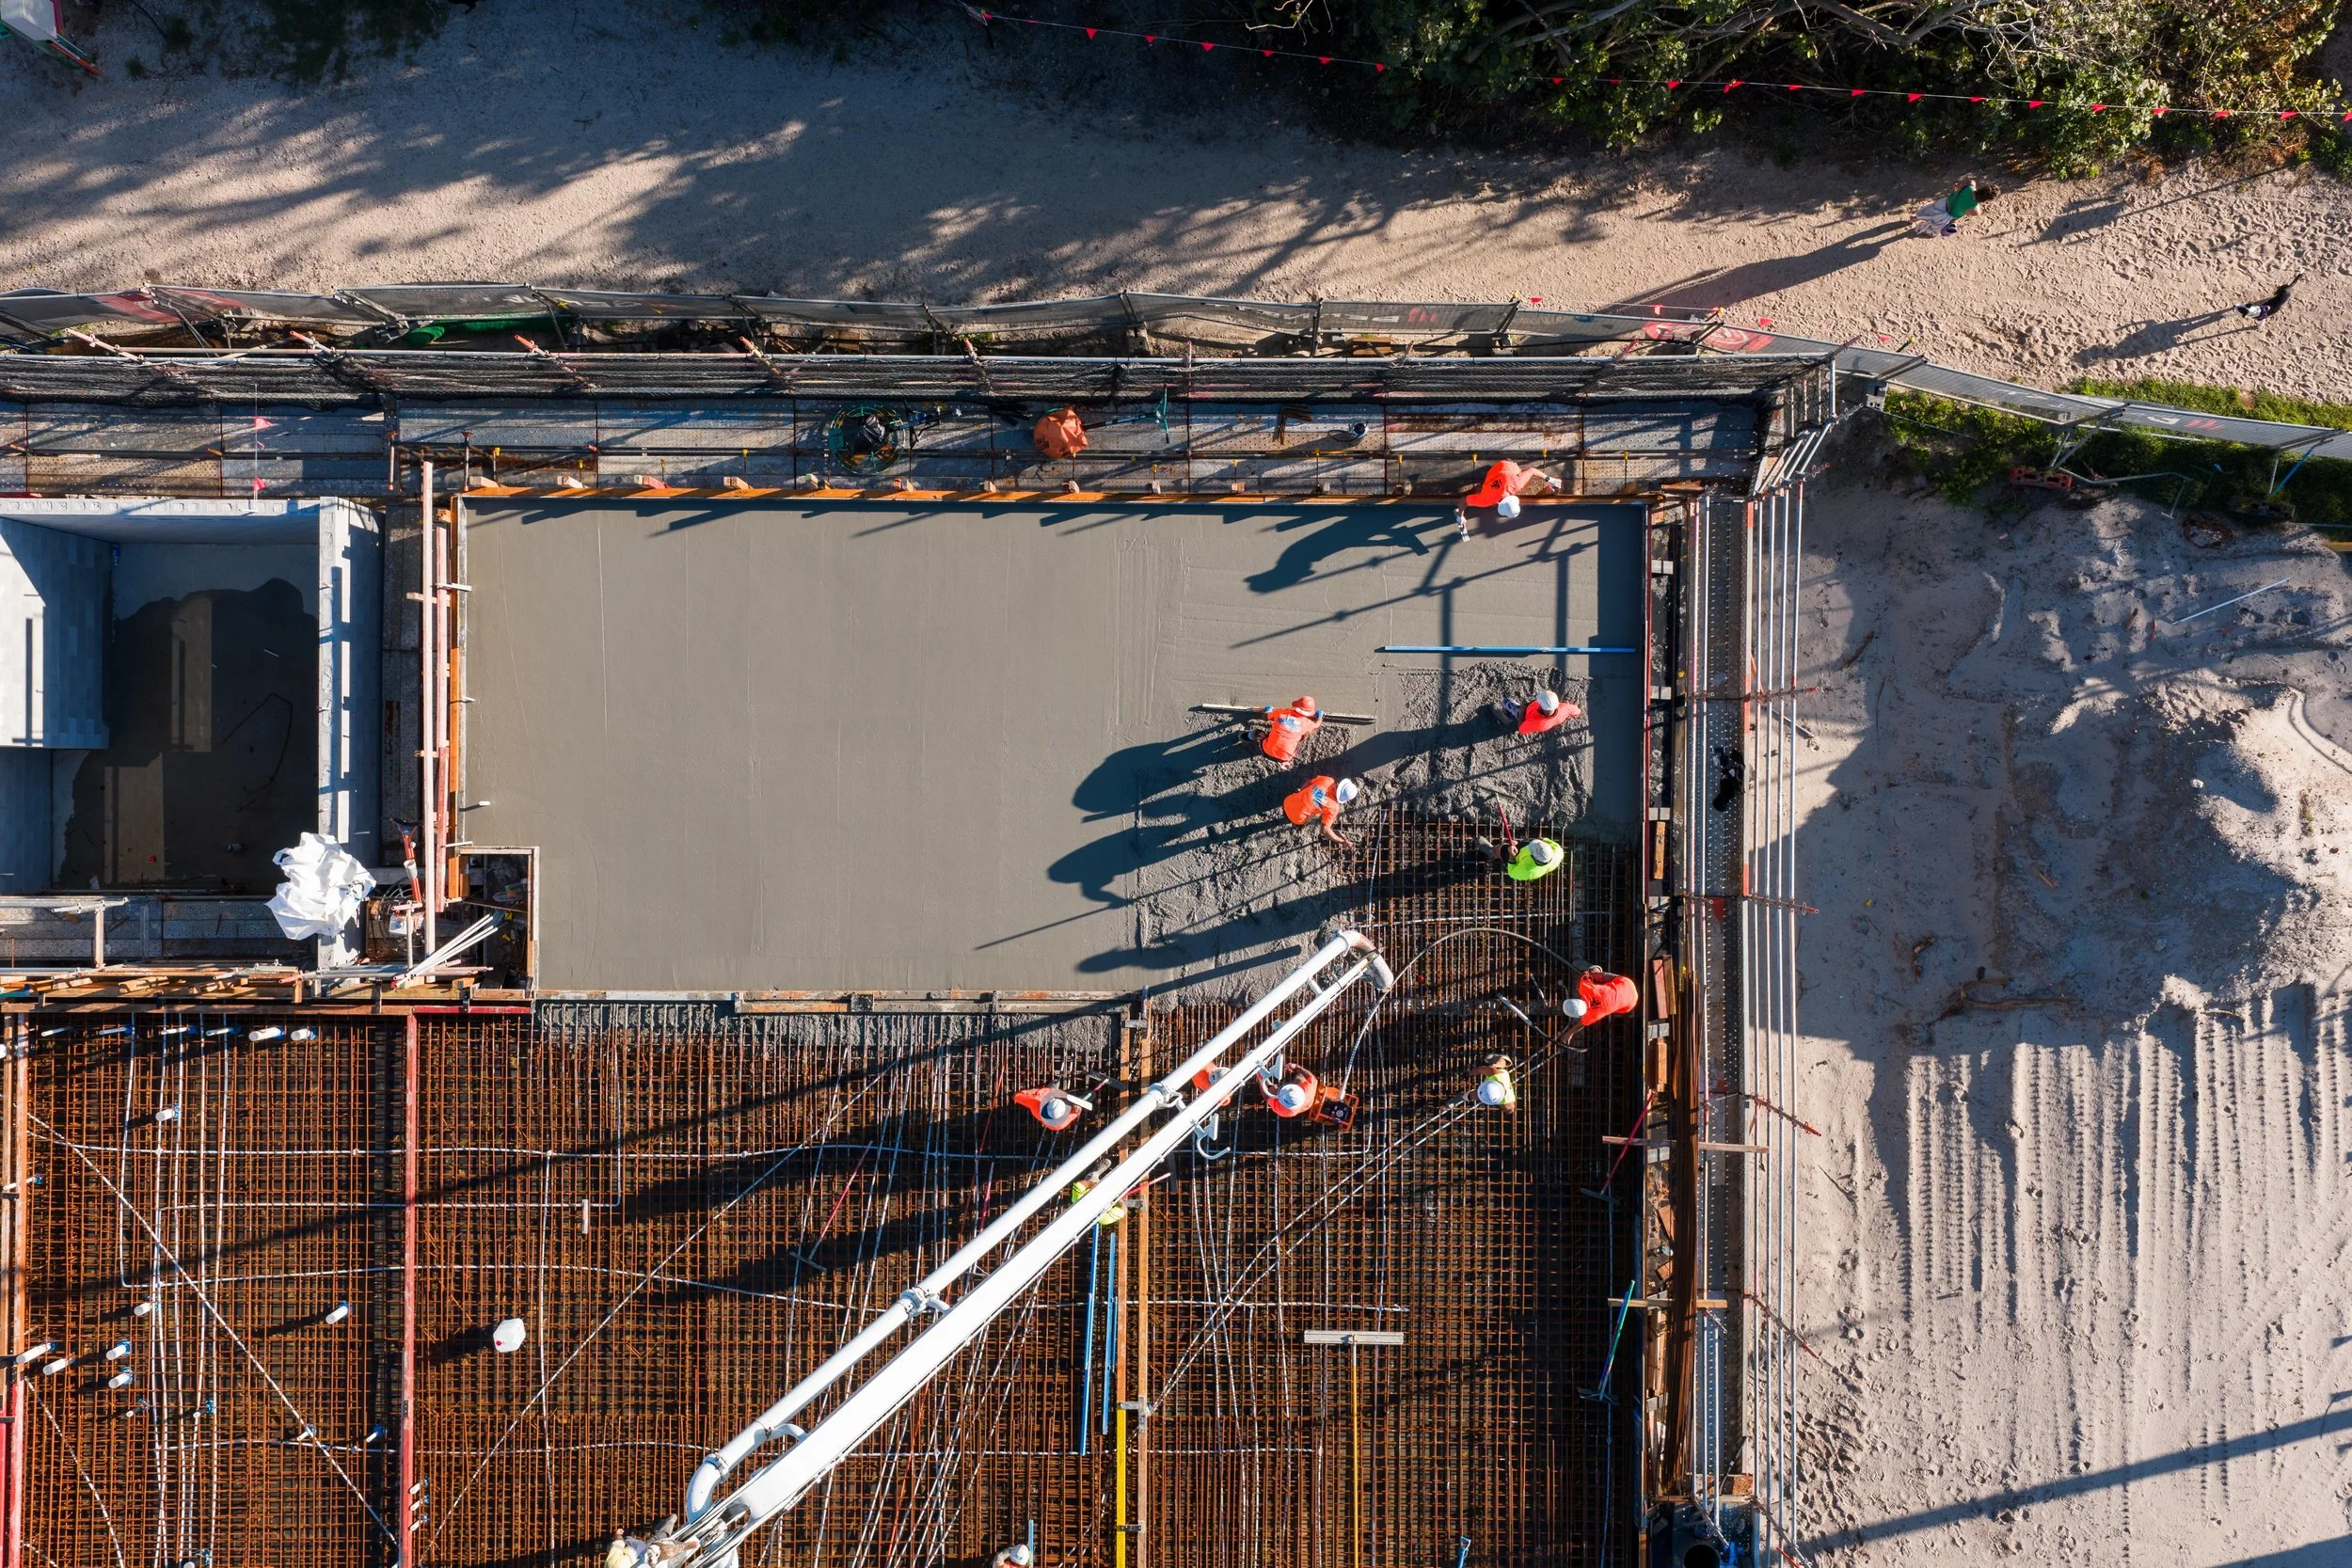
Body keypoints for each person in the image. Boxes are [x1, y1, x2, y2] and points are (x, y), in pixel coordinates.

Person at [1454, 460, 1556, 533]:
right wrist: (1459, 516)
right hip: (1498, 469)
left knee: (1515, 471)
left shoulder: (1517, 483)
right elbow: (1463, 501)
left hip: (1507, 464)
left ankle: (1509, 463)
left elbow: (1532, 470)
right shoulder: (1485, 500)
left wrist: (1549, 479)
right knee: (1479, 489)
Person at [1283, 775, 1359, 848]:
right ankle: (1303, 822)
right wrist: (1342, 842)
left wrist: (1301, 790)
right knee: (1316, 816)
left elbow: (1309, 782)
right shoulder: (1334, 808)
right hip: (1295, 819)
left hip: (1287, 801)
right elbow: (1324, 831)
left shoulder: (1328, 780)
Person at [1914, 177, 1996, 238]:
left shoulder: (1971, 184)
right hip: (1945, 217)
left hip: (1943, 203)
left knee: (1925, 212)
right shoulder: (1975, 210)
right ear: (1986, 199)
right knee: (1936, 231)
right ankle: (1925, 230)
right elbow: (1966, 211)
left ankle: (1913, 218)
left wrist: (1956, 190)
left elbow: (1956, 186)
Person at [1561, 967, 1639, 1025]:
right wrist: (1584, 977)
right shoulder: (1584, 988)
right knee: (1593, 974)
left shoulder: (1594, 1015)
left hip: (1631, 1003)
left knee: (1612, 1004)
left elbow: (1582, 1024)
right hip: (1627, 983)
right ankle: (1596, 972)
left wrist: (1569, 1034)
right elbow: (1585, 974)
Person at [1260, 695, 1325, 764]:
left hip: (1267, 751)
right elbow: (1317, 724)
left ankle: (1247, 736)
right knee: (1300, 736)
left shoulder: (1281, 713)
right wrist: (1320, 716)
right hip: (1285, 757)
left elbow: (1265, 717)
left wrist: (1268, 710)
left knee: (1258, 733)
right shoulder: (1307, 723)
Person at [1494, 689, 1581, 736]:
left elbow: (1522, 730)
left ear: (1541, 706)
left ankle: (1506, 717)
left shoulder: (1538, 723)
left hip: (1525, 715)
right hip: (1531, 710)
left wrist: (1521, 713)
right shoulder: (1564, 708)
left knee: (1506, 702)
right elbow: (1577, 711)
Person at [2234, 275, 2303, 323]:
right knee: (2264, 314)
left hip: (2274, 306)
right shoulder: (2252, 309)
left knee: (2263, 316)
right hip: (2276, 304)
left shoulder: (2252, 311)